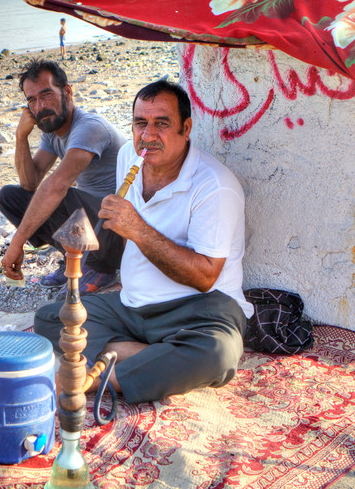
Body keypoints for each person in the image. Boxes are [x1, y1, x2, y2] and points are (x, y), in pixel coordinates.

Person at [34, 79, 248, 404]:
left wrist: (137, 229)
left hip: (199, 310)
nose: (147, 136)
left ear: (186, 128)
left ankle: (90, 378)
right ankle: (152, 358)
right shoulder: (127, 157)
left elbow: (205, 277)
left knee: (218, 354)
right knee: (51, 317)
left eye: (162, 124)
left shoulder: (215, 186)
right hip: (132, 305)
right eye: (140, 124)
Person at [0, 59, 125, 293]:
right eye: (32, 100)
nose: (40, 107)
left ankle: (101, 268)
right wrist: (20, 137)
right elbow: (29, 182)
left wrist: (16, 243)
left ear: (67, 91)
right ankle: (73, 257)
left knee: (59, 192)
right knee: (10, 197)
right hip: (94, 224)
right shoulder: (53, 131)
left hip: (120, 231)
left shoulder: (89, 127)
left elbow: (56, 186)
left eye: (46, 95)